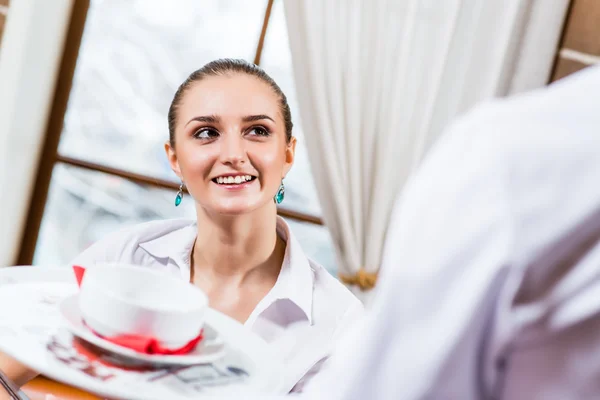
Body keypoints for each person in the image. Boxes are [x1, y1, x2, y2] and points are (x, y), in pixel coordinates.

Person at [0, 59, 363, 395]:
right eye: (206, 133)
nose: (233, 153)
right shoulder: (124, 259)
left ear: (287, 153)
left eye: (257, 130)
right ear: (174, 157)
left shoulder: (340, 326)